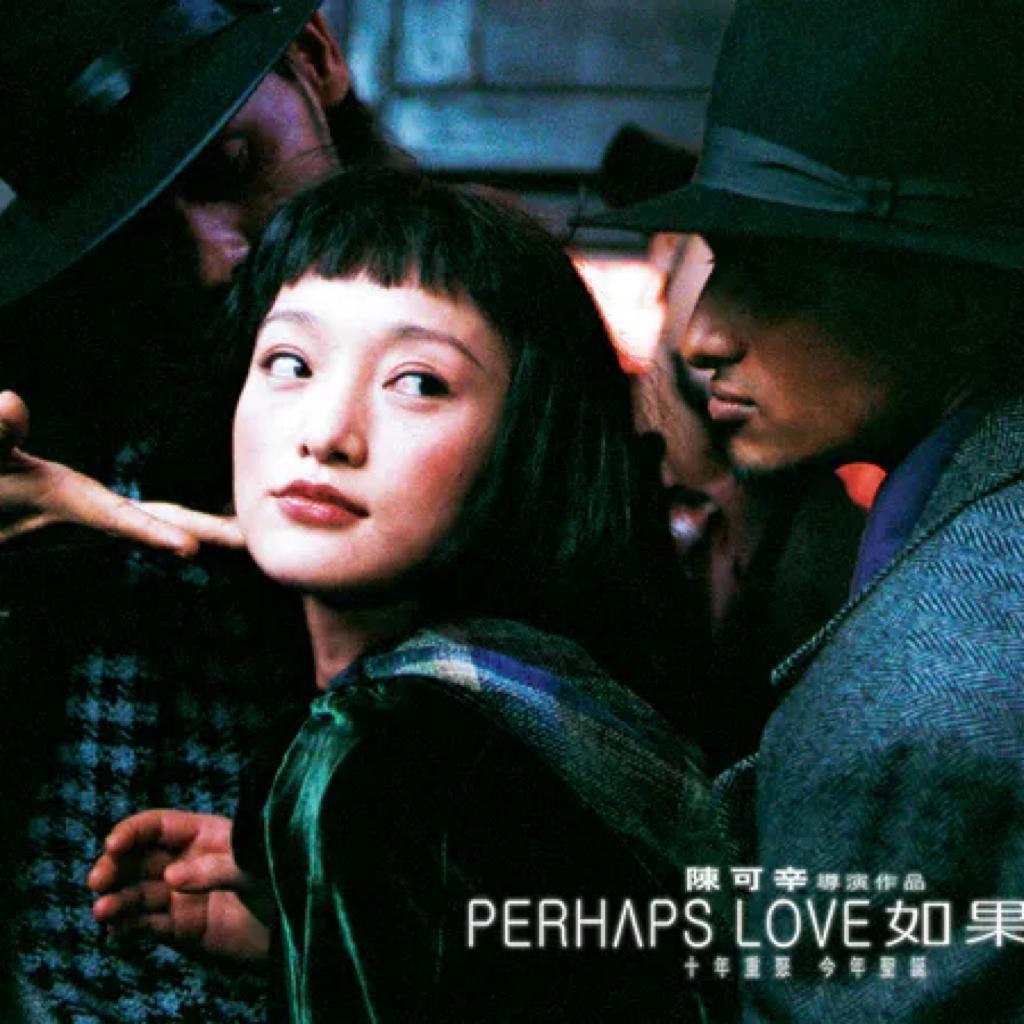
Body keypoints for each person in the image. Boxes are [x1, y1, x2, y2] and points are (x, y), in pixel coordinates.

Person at [86, 167, 720, 1022]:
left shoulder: (381, 748)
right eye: (289, 363)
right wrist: (322, 935)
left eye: (418, 382)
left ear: (527, 439)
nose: (325, 434)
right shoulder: (533, 698)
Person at [587, 0, 1024, 1019]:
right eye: (713, 264)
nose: (702, 336)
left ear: (959, 306)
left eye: (776, 274)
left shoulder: (921, 700)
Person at [0, 4, 406, 1020]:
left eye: (230, 165)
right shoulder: (59, 385)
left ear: (314, 58)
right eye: (137, 222)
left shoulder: (498, 344)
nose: (216, 254)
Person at [595, 126, 865, 772]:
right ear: (669, 248)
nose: (728, 328)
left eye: (796, 285)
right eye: (729, 261)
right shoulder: (554, 463)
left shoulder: (846, 546)